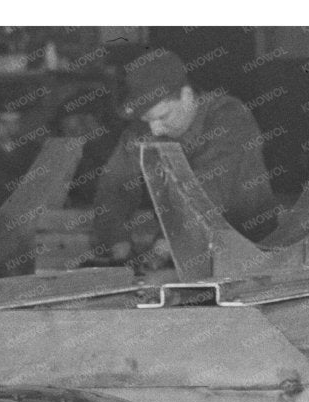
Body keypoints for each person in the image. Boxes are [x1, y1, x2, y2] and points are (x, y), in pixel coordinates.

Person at [90, 48, 277, 257]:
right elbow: (114, 186)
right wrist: (115, 240)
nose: (155, 129)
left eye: (163, 116)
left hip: (253, 250)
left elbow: (210, 186)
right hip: (181, 253)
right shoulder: (145, 129)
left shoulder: (230, 118)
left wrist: (170, 241)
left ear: (187, 95)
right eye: (147, 120)